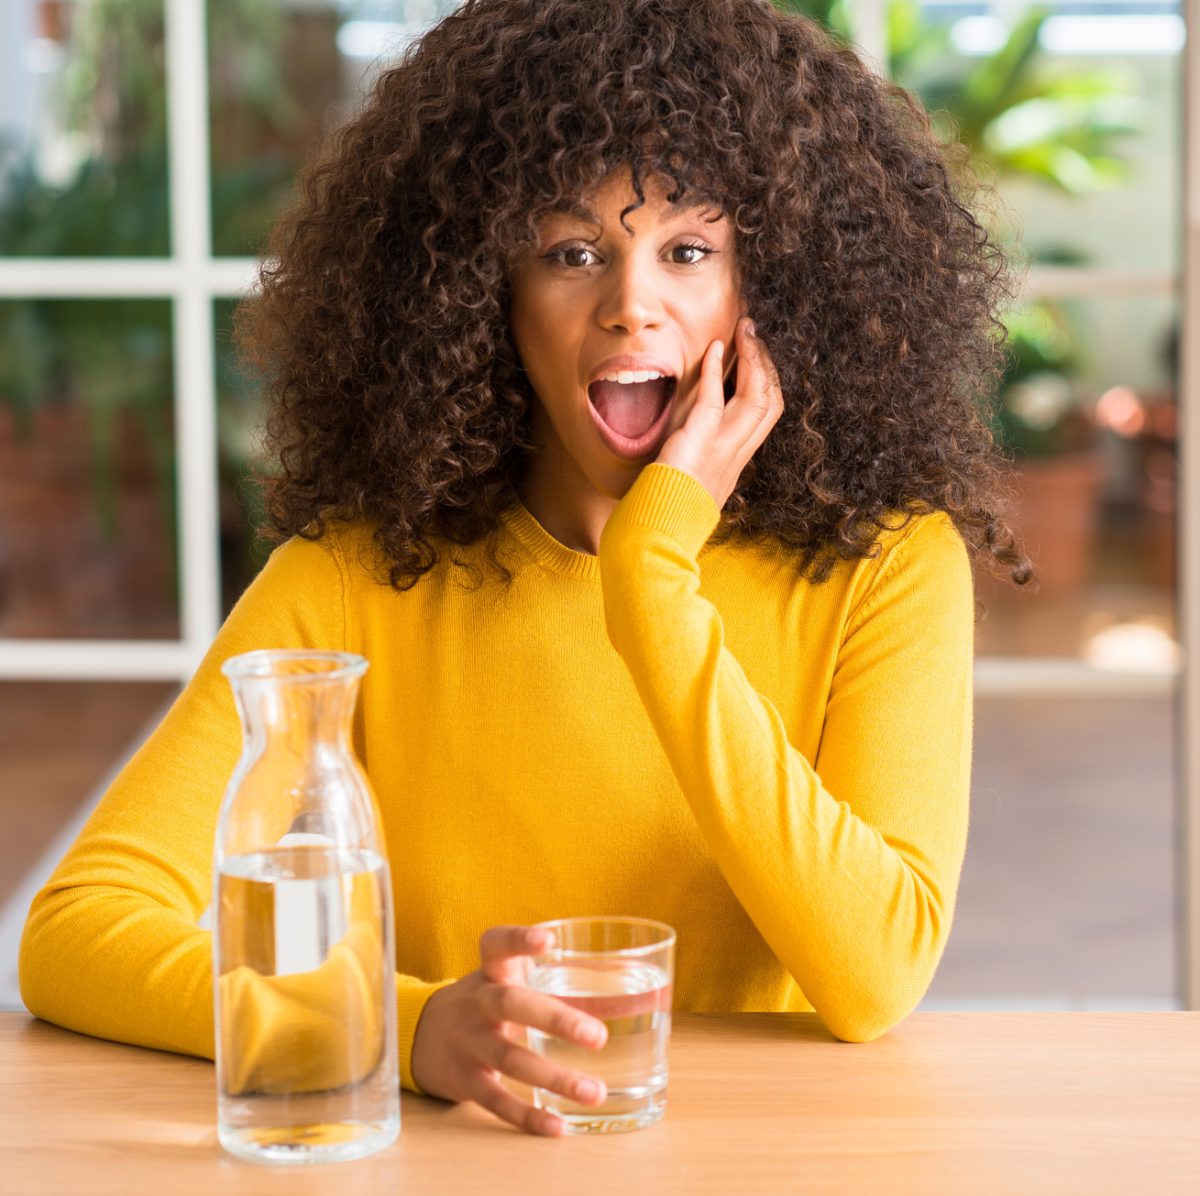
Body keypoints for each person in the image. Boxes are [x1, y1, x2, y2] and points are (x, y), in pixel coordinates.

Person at [20, 0, 1029, 1137]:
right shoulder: (359, 574)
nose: (631, 303)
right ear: (479, 297)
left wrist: (652, 572)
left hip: (771, 1155)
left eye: (688, 252)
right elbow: (79, 925)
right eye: (572, 252)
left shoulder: (884, 567)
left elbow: (877, 972)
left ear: (771, 294)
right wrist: (401, 1027)